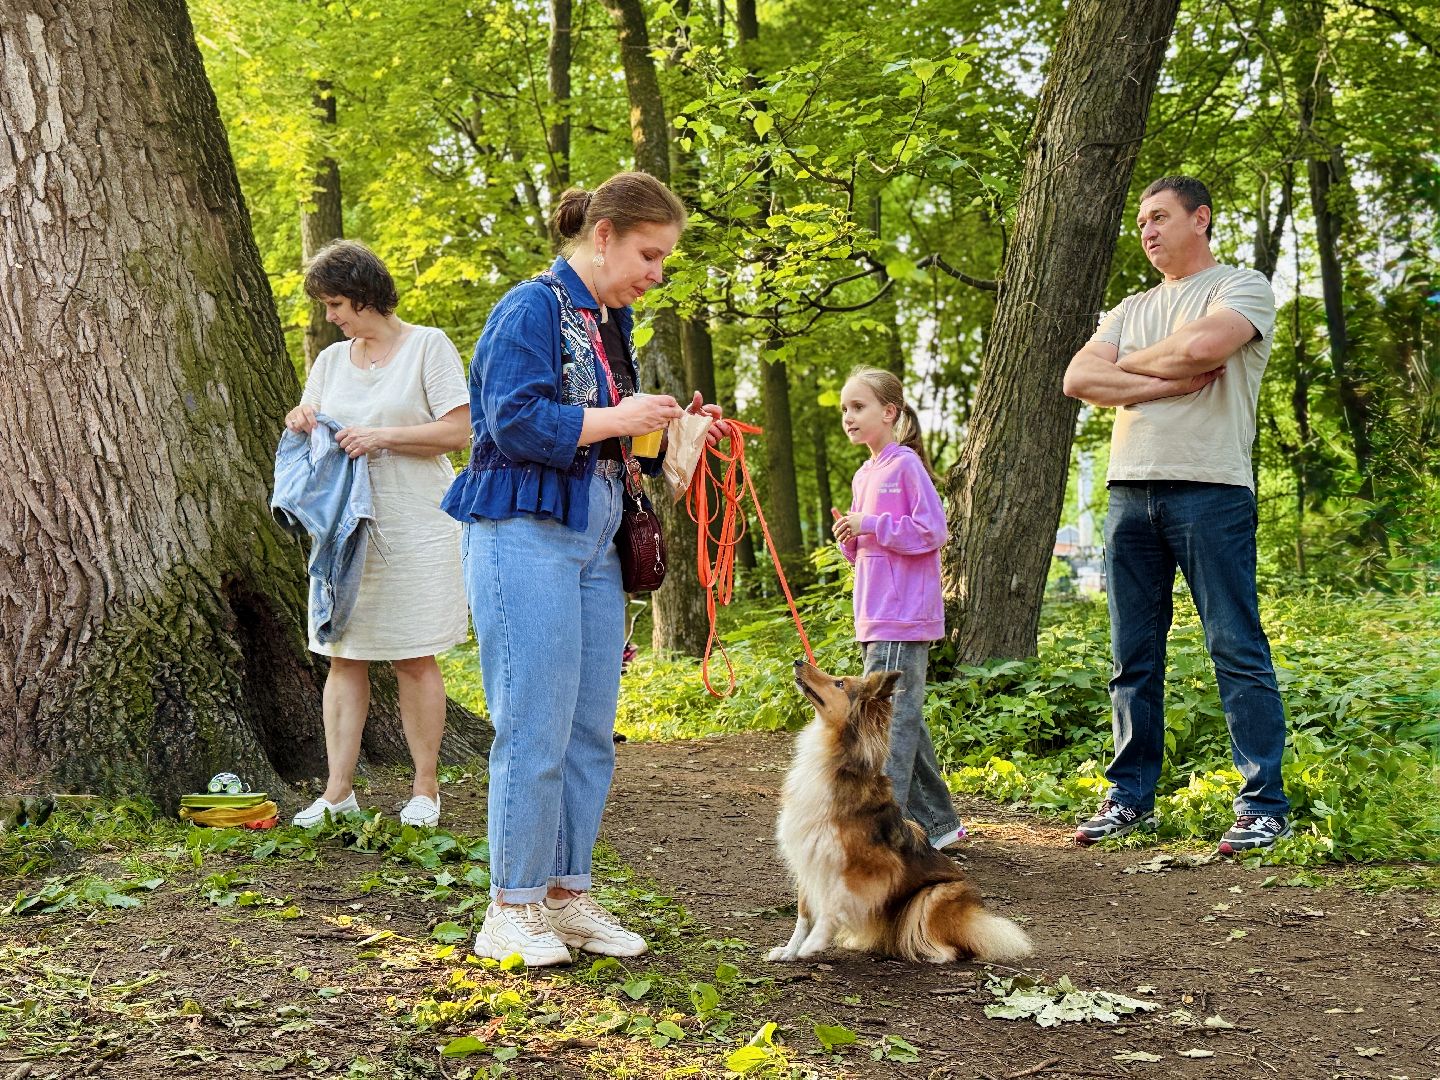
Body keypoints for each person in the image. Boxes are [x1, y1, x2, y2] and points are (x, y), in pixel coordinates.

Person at [442, 171, 726, 966]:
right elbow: (514, 422)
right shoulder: (529, 308)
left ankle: (566, 897)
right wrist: (620, 416)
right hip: (523, 533)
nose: (657, 272)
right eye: (649, 254)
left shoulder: (611, 321)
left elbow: (614, 439)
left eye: (664, 259)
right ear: (603, 236)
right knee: (534, 727)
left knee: (589, 731)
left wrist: (672, 435)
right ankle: (511, 907)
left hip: (597, 538)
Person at [1062, 175, 1291, 855]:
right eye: (1141, 223)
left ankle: (1263, 806)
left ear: (1202, 219)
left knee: (1235, 647)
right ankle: (1129, 799)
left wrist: (1129, 375)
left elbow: (1200, 349)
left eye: (1160, 217)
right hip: (1129, 494)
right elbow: (1078, 379)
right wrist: (1169, 383)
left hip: (1211, 490)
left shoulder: (1240, 287)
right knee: (1132, 657)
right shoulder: (1129, 307)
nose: (1148, 231)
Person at [283, 240, 471, 830]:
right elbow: (314, 426)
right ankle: (338, 793)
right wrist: (301, 419)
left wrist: (380, 437)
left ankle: (425, 790)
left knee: (414, 656)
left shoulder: (427, 346)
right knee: (343, 655)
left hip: (415, 523)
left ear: (364, 295)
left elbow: (459, 432)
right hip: (344, 528)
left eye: (336, 303)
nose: (331, 316)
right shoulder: (330, 361)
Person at [831, 367, 967, 853]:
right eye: (844, 409)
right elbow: (869, 549)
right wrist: (851, 538)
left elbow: (932, 531)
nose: (849, 417)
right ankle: (940, 824)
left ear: (889, 412)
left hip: (903, 614)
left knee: (888, 721)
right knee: (902, 716)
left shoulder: (905, 465)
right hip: (874, 614)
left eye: (859, 407)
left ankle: (885, 832)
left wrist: (871, 523)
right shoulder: (863, 473)